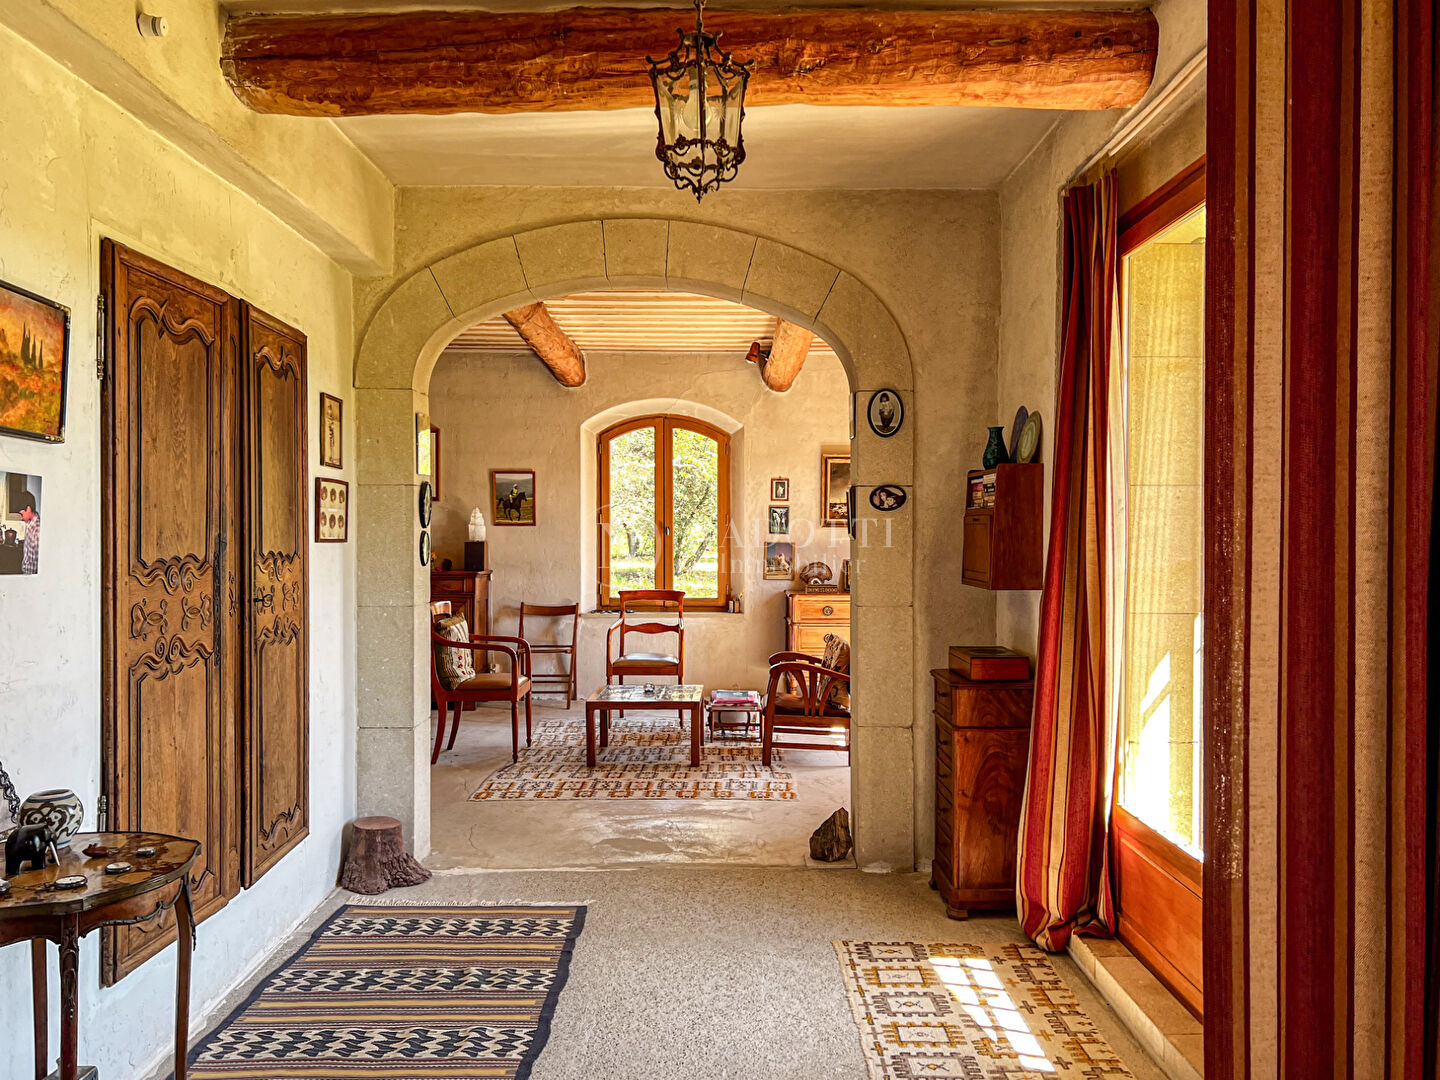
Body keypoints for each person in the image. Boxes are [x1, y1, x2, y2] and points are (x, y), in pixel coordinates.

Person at [13, 491, 39, 574]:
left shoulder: (37, 530)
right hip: (26, 572)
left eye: (22, 514)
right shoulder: (29, 524)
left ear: (28, 509)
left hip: (32, 575)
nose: (21, 518)